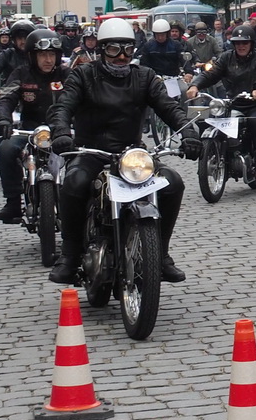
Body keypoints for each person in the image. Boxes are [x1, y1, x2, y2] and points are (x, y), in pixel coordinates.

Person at [49, 17, 200, 286]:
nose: (121, 56)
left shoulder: (144, 77)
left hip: (132, 155)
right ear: (101, 50)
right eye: (113, 49)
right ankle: (69, 255)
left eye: (128, 49)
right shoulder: (83, 75)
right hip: (91, 151)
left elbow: (168, 107)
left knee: (173, 183)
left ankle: (161, 254)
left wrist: (188, 132)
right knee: (74, 182)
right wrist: (61, 132)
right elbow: (63, 106)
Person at [186, 23, 256, 183]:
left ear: (252, 43)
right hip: (232, 103)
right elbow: (211, 74)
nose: (241, 46)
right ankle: (213, 152)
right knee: (206, 119)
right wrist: (195, 85)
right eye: (237, 43)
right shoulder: (226, 57)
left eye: (245, 42)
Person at [0, 29, 65, 226]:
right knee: (5, 149)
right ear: (32, 56)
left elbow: (82, 99)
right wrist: (3, 120)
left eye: (52, 55)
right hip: (30, 131)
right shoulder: (21, 74)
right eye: (43, 55)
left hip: (62, 131)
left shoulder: (67, 74)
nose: (48, 60)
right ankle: (13, 202)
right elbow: (5, 99)